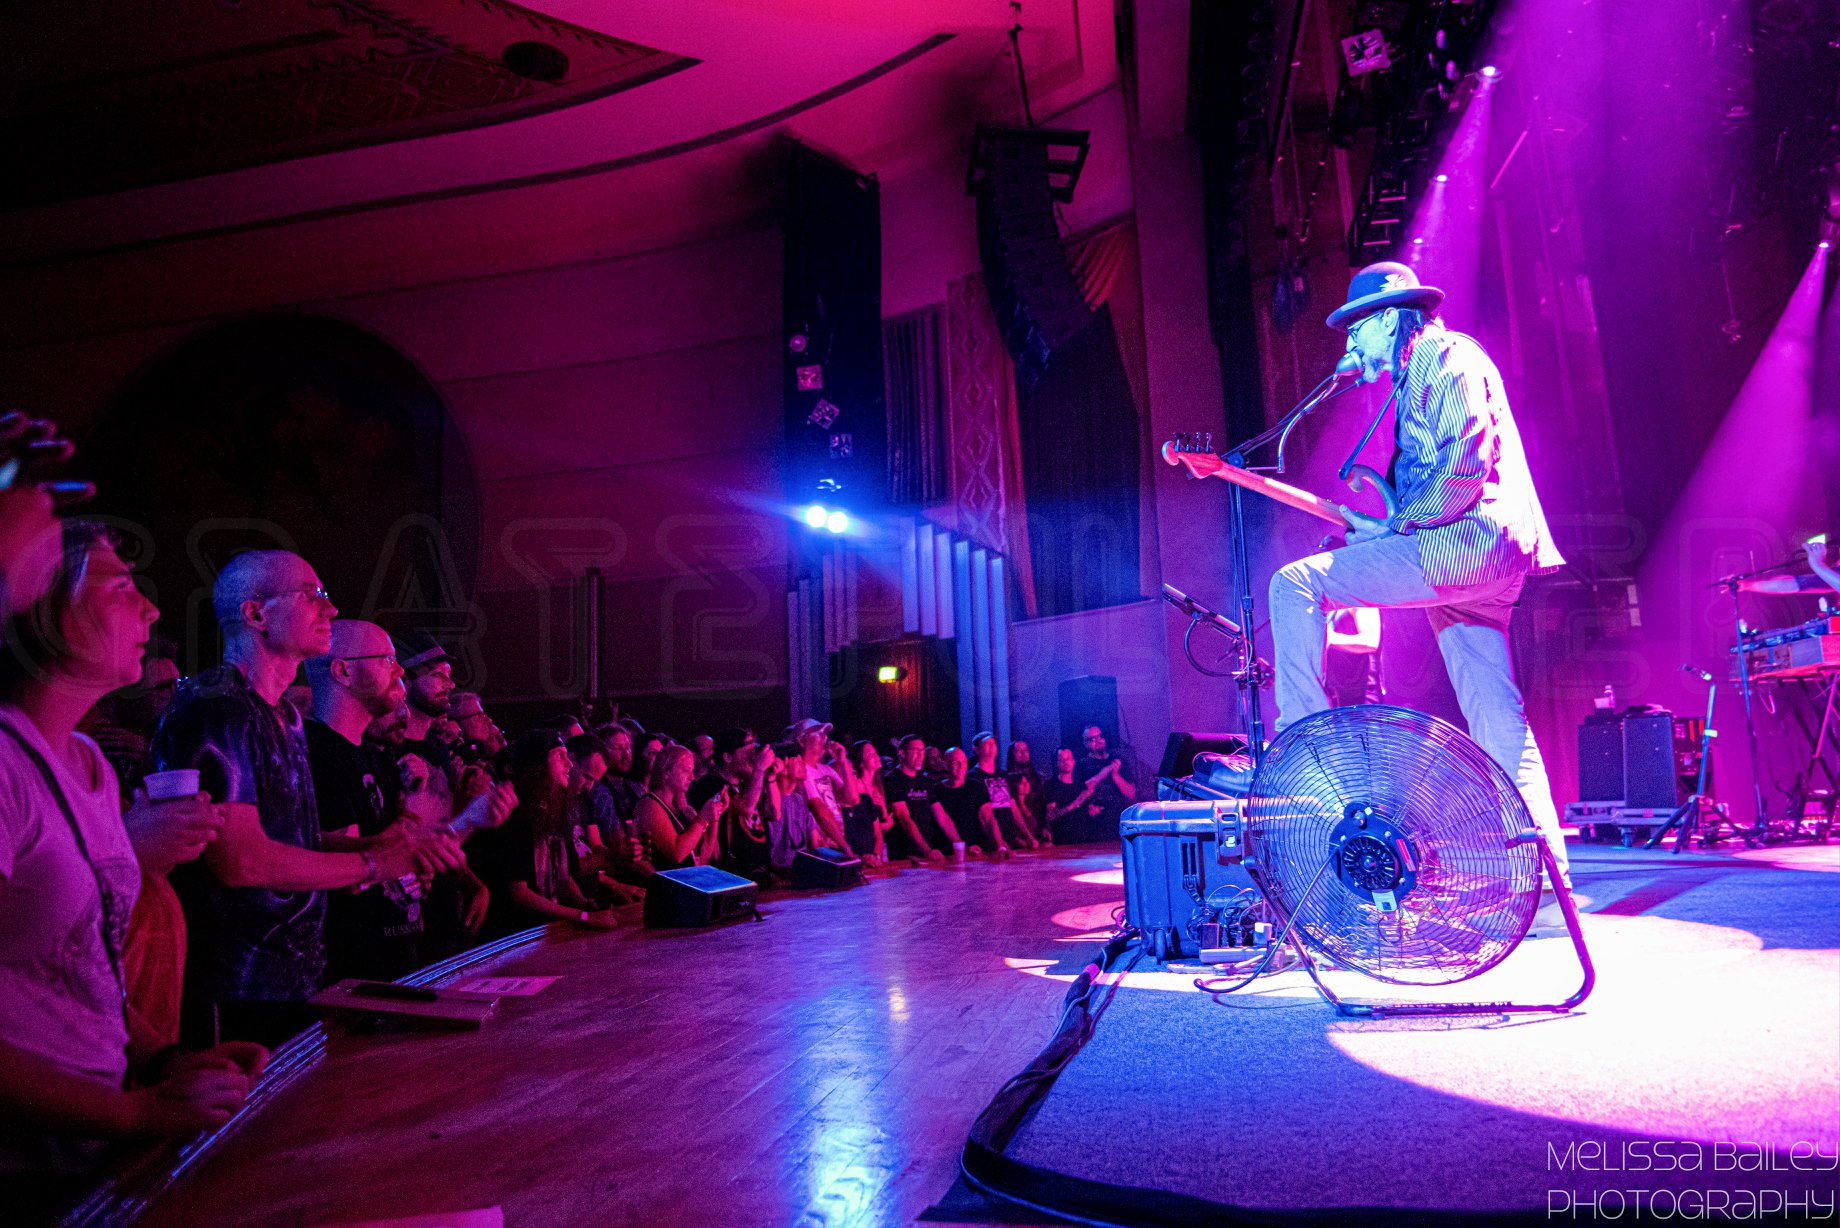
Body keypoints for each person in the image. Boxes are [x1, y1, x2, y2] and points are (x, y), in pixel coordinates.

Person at [1264, 261, 1570, 882]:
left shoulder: (1442, 354)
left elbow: (1463, 466)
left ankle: (1302, 743)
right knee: (1497, 715)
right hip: (1479, 558)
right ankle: (1543, 884)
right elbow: (1435, 482)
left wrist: (1398, 528)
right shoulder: (1417, 374)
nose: (1351, 346)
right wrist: (1388, 516)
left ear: (1386, 319)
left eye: (1357, 330)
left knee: (1293, 582)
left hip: (1466, 545)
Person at [0, 522, 262, 1198]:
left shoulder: (89, 763)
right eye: (121, 588)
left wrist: (167, 1059)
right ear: (42, 607)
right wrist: (136, 1111)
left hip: (93, 1144)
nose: (149, 609)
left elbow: (79, 969)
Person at [150, 552, 459, 1048]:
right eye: (312, 596)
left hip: (296, 978)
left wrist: (400, 845)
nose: (330, 611)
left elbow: (290, 841)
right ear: (256, 614)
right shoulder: (217, 705)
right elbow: (241, 861)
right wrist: (372, 863)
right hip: (235, 987)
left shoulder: (285, 718)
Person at [306, 621, 489, 982]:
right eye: (387, 659)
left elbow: (409, 851)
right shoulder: (316, 750)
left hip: (400, 953)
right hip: (351, 971)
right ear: (342, 670)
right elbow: (347, 862)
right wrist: (416, 828)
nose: (401, 669)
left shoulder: (375, 757)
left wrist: (471, 818)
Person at [466, 733, 617, 937]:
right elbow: (517, 894)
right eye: (560, 756)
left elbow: (562, 876)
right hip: (513, 935)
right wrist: (581, 917)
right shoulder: (512, 810)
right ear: (538, 764)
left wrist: (582, 903)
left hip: (545, 931)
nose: (569, 764)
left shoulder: (554, 808)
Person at [632, 743, 718, 870]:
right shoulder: (649, 805)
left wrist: (714, 816)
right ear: (666, 772)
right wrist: (702, 819)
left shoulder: (683, 808)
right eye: (685, 770)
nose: (692, 777)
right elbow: (677, 853)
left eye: (692, 771)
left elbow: (706, 854)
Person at [707, 729, 773, 882]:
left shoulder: (748, 785)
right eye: (748, 750)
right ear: (728, 757)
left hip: (759, 874)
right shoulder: (711, 783)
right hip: (733, 877)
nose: (753, 756)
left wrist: (771, 777)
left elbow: (775, 814)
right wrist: (759, 769)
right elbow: (746, 808)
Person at [881, 734, 955, 862]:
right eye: (915, 751)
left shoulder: (924, 781)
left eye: (922, 751)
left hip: (926, 850)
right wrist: (927, 851)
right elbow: (904, 819)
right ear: (902, 753)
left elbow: (942, 816)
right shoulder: (892, 780)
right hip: (903, 855)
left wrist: (959, 843)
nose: (921, 755)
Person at [785, 718, 854, 852]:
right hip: (820, 846)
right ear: (801, 740)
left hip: (836, 841)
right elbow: (817, 808)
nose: (825, 736)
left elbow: (851, 799)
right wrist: (845, 846)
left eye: (825, 732)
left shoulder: (826, 769)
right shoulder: (800, 770)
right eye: (818, 732)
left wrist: (842, 761)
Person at [936, 746, 1011, 858]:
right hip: (947, 853)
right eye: (956, 763)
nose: (961, 767)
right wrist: (963, 848)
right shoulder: (936, 790)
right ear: (945, 765)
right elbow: (944, 821)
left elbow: (988, 818)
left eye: (964, 762)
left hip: (977, 849)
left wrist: (1000, 845)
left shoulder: (975, 786)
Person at [968, 732, 1035, 850]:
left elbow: (1013, 807)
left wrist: (1029, 837)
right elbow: (981, 814)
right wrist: (997, 842)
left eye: (993, 743)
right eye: (987, 743)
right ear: (977, 749)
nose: (992, 745)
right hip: (987, 843)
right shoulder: (972, 777)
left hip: (1009, 838)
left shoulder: (1003, 775)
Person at [1074, 725, 1137, 838]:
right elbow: (1082, 790)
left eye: (1100, 737)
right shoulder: (1081, 765)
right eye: (1092, 739)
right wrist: (1105, 771)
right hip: (1093, 823)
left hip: (1117, 819)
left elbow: (1131, 793)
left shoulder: (1119, 761)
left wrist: (1115, 775)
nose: (1098, 741)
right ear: (1085, 743)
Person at [843, 740, 893, 865]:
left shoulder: (878, 786)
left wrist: (886, 820)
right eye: (870, 754)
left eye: (876, 753)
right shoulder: (855, 789)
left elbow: (881, 822)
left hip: (878, 847)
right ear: (860, 761)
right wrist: (885, 825)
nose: (876, 757)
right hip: (861, 850)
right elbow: (857, 825)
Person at [1324, 607, 1385, 707]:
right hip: (1338, 694)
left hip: (1362, 696)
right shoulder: (1333, 603)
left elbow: (1371, 641)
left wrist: (1330, 637)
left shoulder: (1358, 601)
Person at [1045, 747, 1106, 843]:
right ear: (1056, 763)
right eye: (1062, 759)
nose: (1066, 762)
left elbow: (1088, 809)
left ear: (1073, 761)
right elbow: (1051, 815)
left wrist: (1094, 810)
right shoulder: (1050, 785)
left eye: (1068, 758)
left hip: (1083, 837)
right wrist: (1075, 803)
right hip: (1062, 839)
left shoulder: (1080, 785)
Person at [1006, 741, 1049, 845]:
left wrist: (1045, 826)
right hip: (1017, 830)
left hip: (1037, 826)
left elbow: (1043, 805)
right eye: (1018, 751)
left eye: (1025, 750)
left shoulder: (1038, 778)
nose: (1023, 753)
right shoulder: (1005, 778)